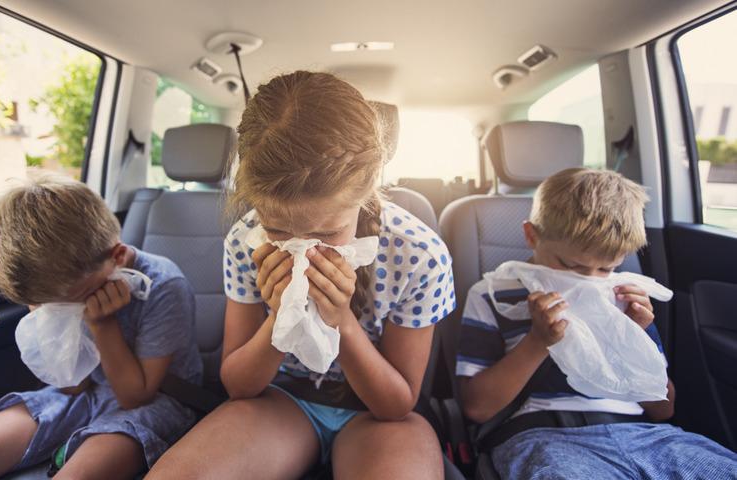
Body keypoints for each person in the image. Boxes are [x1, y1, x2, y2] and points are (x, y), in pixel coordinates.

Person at [147, 71, 454, 479]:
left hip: (376, 418)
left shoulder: (419, 255)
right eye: (279, 232)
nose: (303, 249)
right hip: (280, 399)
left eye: (327, 233)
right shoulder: (245, 241)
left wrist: (339, 319)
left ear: (367, 189)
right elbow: (238, 385)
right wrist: (280, 317)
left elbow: (396, 405)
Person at [0, 177, 202, 480]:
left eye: (71, 300)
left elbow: (134, 397)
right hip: (85, 393)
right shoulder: (51, 285)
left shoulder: (165, 286)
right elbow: (71, 385)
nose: (62, 310)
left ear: (116, 257)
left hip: (156, 403)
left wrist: (103, 324)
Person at [456, 167, 737, 479]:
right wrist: (538, 341)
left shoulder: (623, 298)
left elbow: (663, 409)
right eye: (571, 265)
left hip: (646, 436)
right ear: (531, 235)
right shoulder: (494, 295)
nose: (587, 280)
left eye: (605, 269)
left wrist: (633, 336)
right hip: (545, 436)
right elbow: (477, 408)